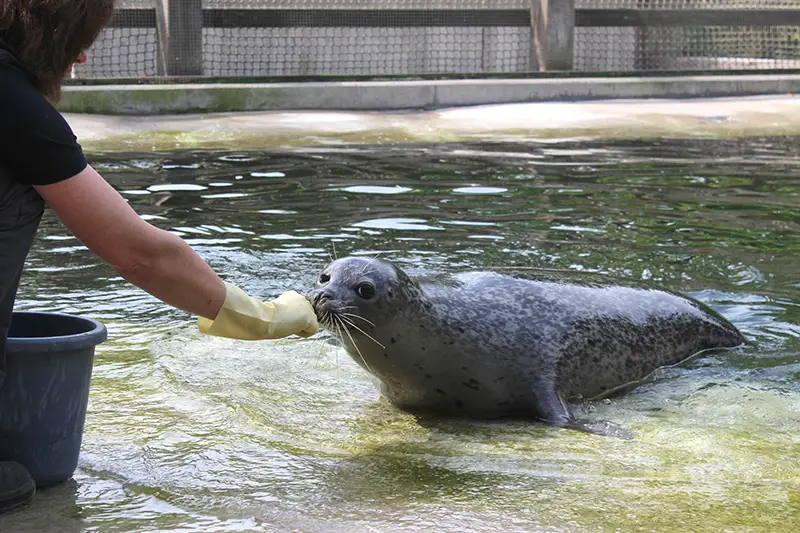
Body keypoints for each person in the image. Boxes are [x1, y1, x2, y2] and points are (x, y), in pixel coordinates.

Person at [0, 0, 319, 514]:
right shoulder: (17, 109)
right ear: (50, 30)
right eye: (81, 38)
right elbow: (140, 254)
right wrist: (264, 317)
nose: (82, 57)